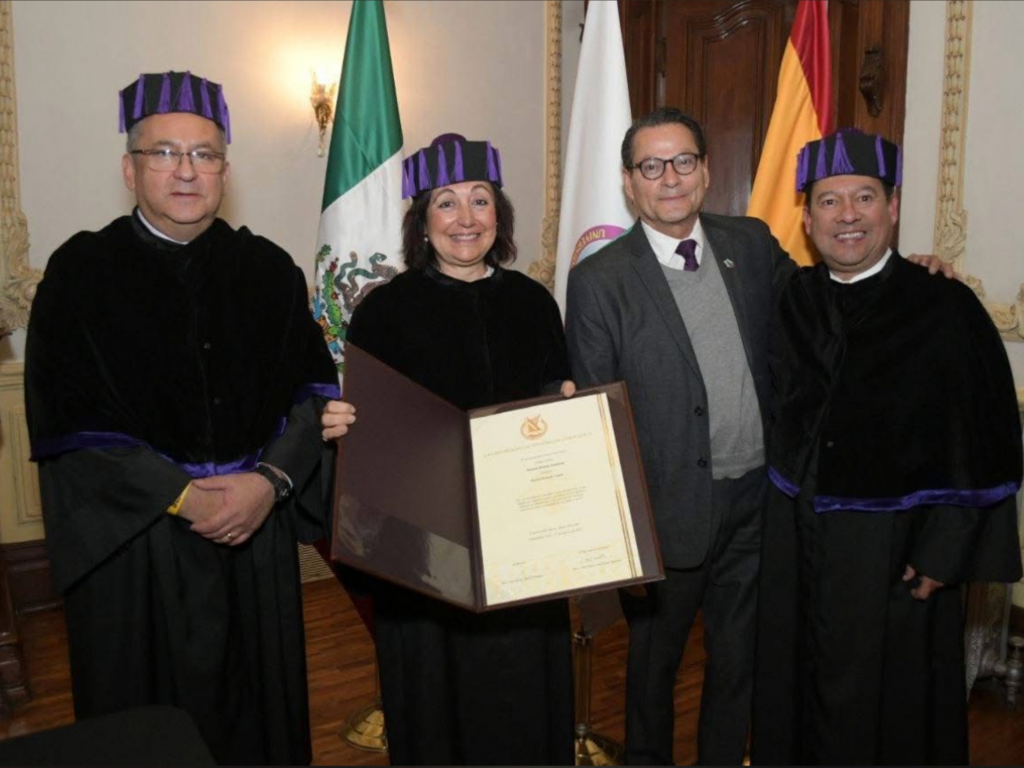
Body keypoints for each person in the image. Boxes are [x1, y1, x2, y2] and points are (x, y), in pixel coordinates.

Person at [24, 71, 340, 765]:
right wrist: (181, 494)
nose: (187, 171)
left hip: (254, 535)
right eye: (164, 153)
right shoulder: (79, 274)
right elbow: (66, 422)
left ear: (225, 169)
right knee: (144, 733)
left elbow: (314, 394)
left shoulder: (269, 270)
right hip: (138, 547)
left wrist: (269, 483)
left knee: (260, 723)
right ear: (130, 169)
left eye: (204, 154)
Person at [751, 128, 1023, 765]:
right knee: (795, 697)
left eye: (864, 197)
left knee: (891, 716)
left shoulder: (945, 305)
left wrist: (945, 551)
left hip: (896, 552)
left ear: (893, 207)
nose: (847, 215)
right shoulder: (793, 298)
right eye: (829, 200)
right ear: (807, 218)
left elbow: (982, 441)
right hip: (796, 541)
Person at [324, 134, 575, 766]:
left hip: (524, 542)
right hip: (424, 550)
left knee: (522, 694)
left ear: (499, 214)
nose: (466, 218)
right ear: (422, 221)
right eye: (446, 202)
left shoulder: (534, 302)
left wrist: (565, 405)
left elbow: (554, 392)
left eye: (480, 200)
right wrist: (344, 424)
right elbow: (370, 432)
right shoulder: (384, 311)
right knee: (436, 702)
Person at [564, 106, 792, 765]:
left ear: (706, 170)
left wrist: (901, 271)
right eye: (651, 166)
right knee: (652, 674)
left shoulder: (752, 243)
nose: (670, 178)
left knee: (738, 663)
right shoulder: (599, 280)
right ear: (628, 181)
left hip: (755, 502)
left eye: (683, 161)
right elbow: (599, 415)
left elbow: (819, 306)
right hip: (663, 514)